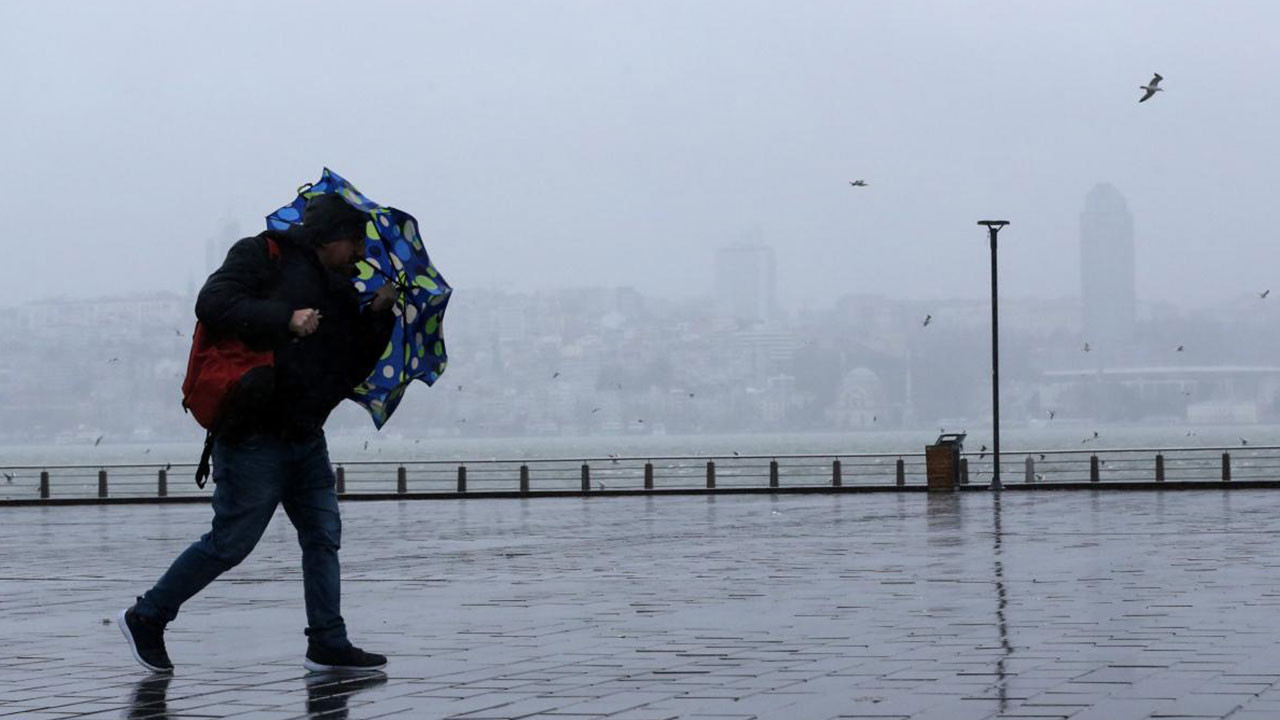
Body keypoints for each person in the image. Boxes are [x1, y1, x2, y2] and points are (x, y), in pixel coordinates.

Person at [118, 194, 397, 673]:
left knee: (323, 535)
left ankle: (328, 641)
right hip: (253, 433)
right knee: (232, 541)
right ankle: (148, 615)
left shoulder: (343, 292)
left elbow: (350, 369)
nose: (360, 253)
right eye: (355, 241)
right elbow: (213, 303)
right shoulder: (260, 255)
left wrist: (377, 316)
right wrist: (285, 319)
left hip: (306, 436)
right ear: (331, 236)